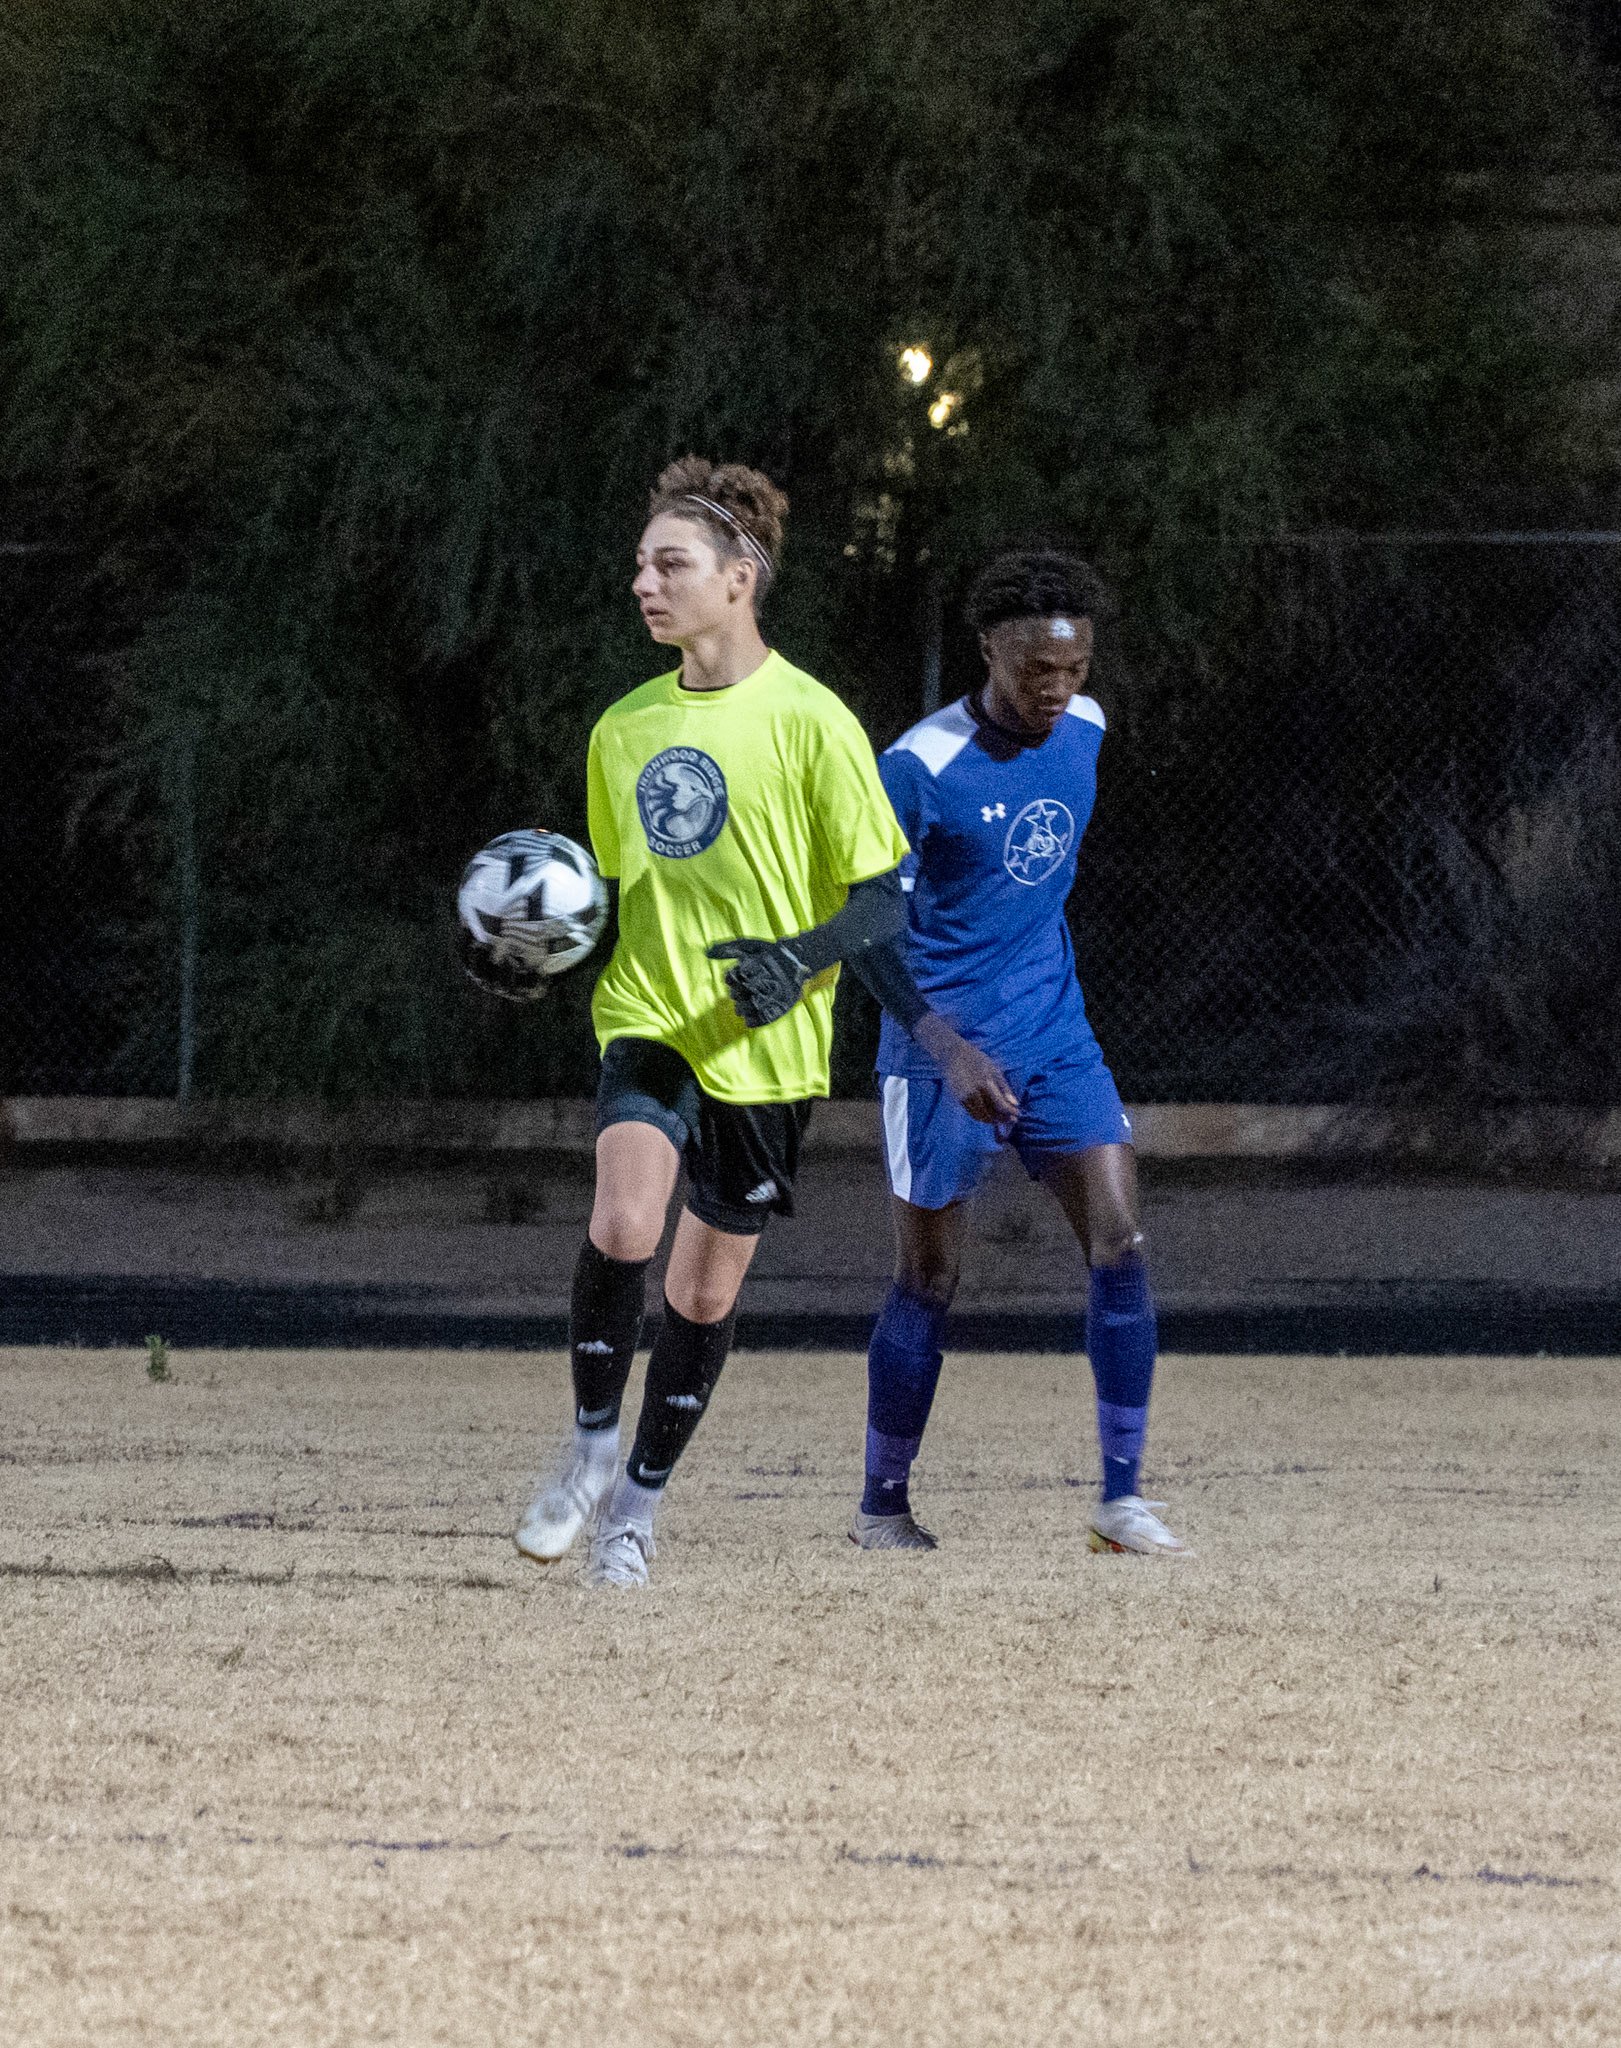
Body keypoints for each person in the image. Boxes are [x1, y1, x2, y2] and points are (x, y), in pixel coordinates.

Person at [512, 457, 1000, 1587]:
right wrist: (530, 948)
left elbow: (880, 903)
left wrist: (797, 960)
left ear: (739, 577)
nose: (644, 583)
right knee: (624, 1218)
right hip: (653, 1014)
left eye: (669, 564)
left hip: (768, 1049)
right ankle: (588, 1449)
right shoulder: (622, 729)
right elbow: (616, 898)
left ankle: (634, 1510)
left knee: (702, 1292)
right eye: (640, 565)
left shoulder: (814, 722)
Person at [851, 546, 1188, 1557]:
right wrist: (947, 1047)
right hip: (938, 1052)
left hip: (1054, 1034)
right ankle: (881, 1508)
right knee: (928, 1278)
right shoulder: (918, 768)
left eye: (1074, 668)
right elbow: (864, 933)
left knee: (1120, 1241)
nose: (1057, 687)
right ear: (989, 647)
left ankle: (1120, 1501)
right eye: (1038, 668)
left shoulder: (1084, 729)